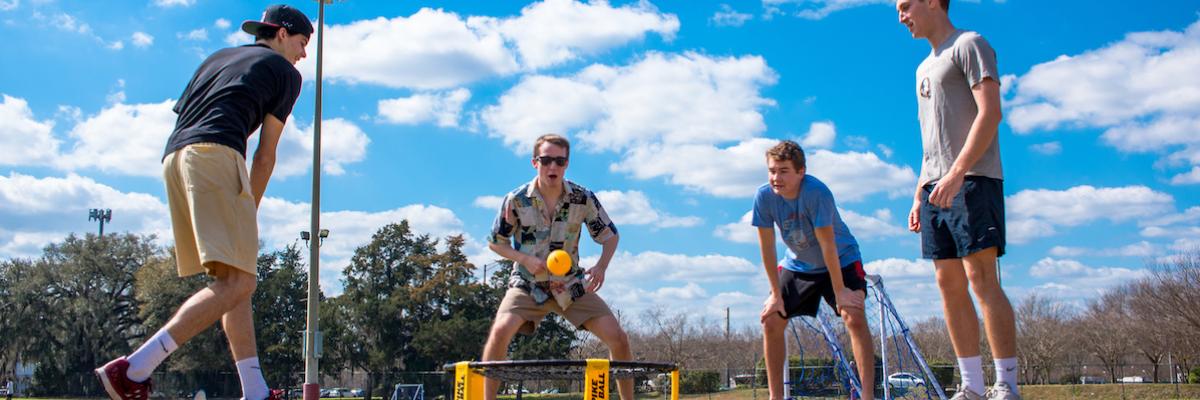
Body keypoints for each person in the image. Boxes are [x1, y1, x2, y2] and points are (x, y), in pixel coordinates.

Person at [94, 5, 311, 400]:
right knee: (242, 280)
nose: (303, 54)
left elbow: (188, 113)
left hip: (175, 158)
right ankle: (133, 369)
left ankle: (255, 390)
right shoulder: (286, 74)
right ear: (281, 34)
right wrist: (249, 208)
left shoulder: (217, 58)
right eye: (301, 43)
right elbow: (266, 154)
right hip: (216, 154)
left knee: (232, 279)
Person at [896, 0, 1019, 399]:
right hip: (934, 187)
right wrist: (919, 195)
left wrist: (956, 173)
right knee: (947, 283)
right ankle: (972, 387)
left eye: (905, 5)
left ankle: (1006, 385)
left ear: (932, 2)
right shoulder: (920, 69)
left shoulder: (970, 44)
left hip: (973, 180)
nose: (901, 16)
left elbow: (990, 114)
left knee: (980, 279)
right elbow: (930, 142)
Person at [483, 134, 634, 400]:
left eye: (560, 161)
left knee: (618, 338)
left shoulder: (582, 198)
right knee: (499, 332)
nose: (553, 167)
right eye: (546, 160)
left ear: (566, 164)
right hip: (528, 283)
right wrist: (525, 259)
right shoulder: (516, 200)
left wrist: (601, 267)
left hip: (571, 285)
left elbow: (610, 236)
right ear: (534, 162)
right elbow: (496, 243)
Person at [754, 140, 875, 400]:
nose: (776, 177)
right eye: (772, 171)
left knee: (853, 315)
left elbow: (827, 244)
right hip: (798, 264)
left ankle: (867, 396)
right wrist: (776, 294)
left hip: (840, 259)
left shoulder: (816, 192)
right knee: (772, 319)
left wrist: (840, 291)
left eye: (784, 171)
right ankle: (776, 397)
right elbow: (767, 248)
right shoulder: (763, 197)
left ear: (801, 172)